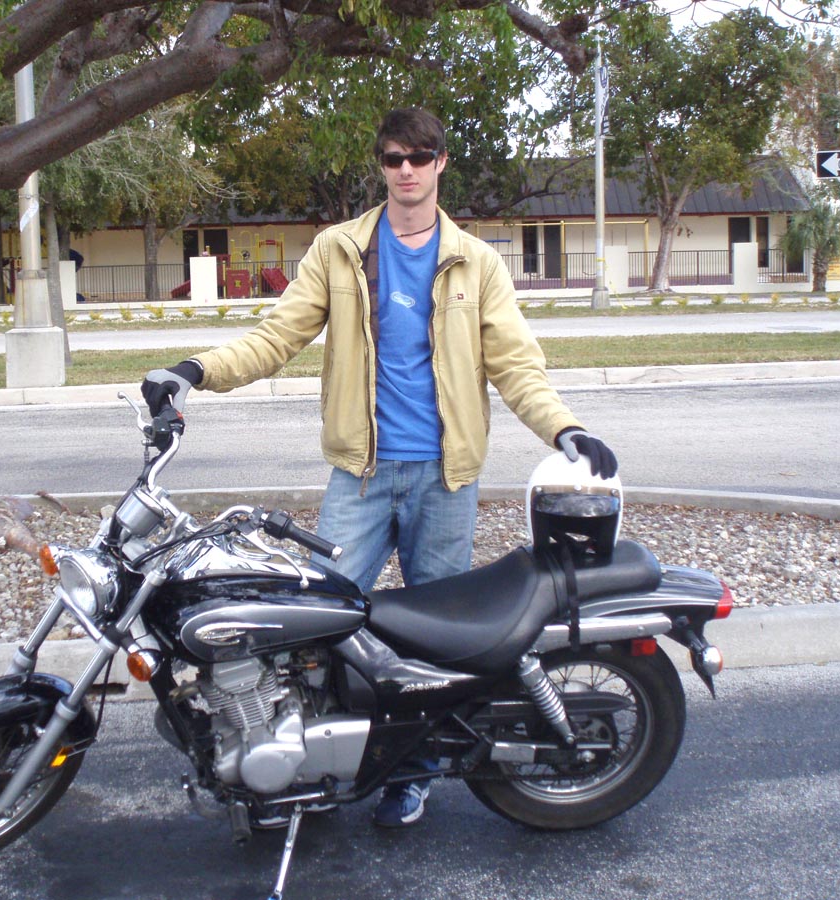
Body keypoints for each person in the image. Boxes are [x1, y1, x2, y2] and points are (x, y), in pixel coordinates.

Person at [142, 107, 616, 828]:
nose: (406, 170)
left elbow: (517, 365)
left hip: (445, 480)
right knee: (314, 629)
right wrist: (194, 370)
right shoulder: (339, 250)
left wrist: (565, 428)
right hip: (360, 478)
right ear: (381, 165)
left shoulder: (476, 262)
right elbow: (277, 337)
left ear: (441, 163)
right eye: (394, 158)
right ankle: (308, 767)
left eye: (420, 157)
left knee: (440, 645)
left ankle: (412, 777)